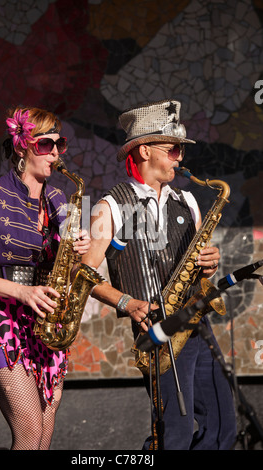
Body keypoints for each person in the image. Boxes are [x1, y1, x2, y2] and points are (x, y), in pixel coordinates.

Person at [82, 100, 237, 450]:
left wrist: (210, 263)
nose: (179, 158)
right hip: (159, 332)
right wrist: (125, 301)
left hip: (198, 323)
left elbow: (199, 265)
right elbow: (84, 273)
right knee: (176, 434)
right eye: (173, 149)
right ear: (145, 150)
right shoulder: (111, 205)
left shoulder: (188, 201)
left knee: (223, 427)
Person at [0, 106, 90, 450]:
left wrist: (77, 256)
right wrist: (21, 292)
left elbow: (64, 270)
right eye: (45, 145)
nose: (55, 153)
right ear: (21, 146)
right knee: (30, 432)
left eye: (59, 144)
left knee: (43, 440)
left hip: (43, 323)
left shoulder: (58, 201)